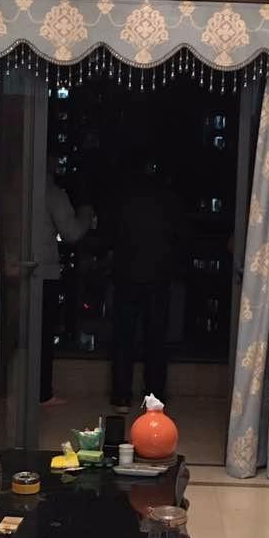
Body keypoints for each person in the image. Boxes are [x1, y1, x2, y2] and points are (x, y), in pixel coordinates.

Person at [104, 152, 189, 412]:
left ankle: (121, 396)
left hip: (126, 275)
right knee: (156, 339)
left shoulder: (123, 198)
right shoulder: (170, 200)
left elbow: (110, 233)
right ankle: (154, 396)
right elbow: (181, 237)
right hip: (158, 277)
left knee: (124, 338)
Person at [39, 174, 93, 406]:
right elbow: (71, 233)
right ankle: (42, 392)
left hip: (7, 267)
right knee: (42, 335)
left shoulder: (9, 185)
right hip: (43, 271)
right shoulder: (52, 193)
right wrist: (86, 212)